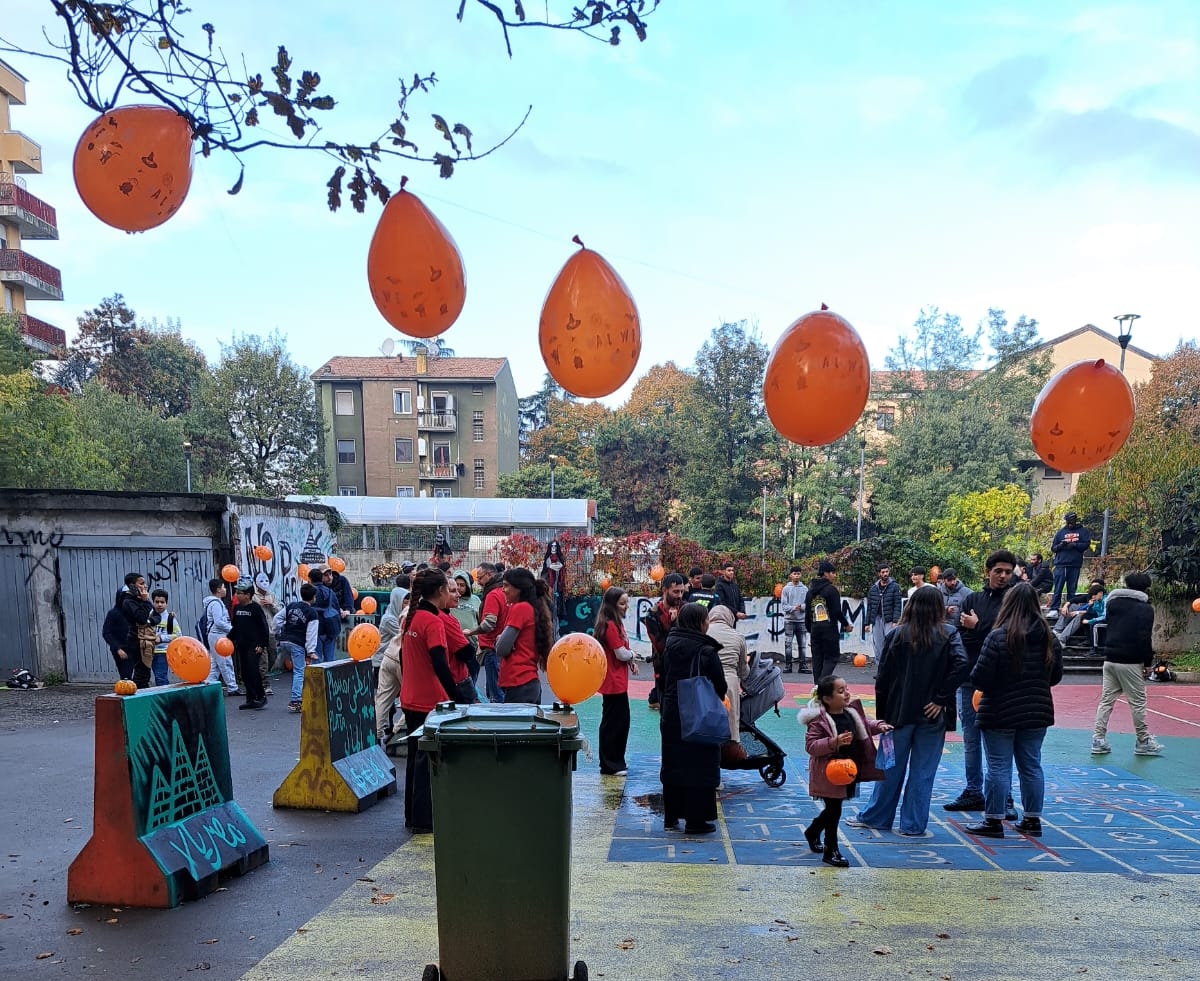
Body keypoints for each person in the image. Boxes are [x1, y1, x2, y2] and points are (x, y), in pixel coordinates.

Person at [848, 588, 966, 837]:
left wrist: (882, 717)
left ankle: (877, 817)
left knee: (889, 768)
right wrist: (941, 698)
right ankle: (913, 825)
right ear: (939, 607)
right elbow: (962, 664)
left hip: (897, 715)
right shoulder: (949, 633)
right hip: (932, 716)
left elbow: (882, 679)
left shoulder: (897, 634)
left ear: (910, 605)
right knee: (923, 772)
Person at [966, 582, 1064, 839]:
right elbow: (1055, 676)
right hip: (1036, 711)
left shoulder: (999, 636)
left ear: (1008, 604)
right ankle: (1032, 819)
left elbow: (980, 678)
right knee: (1031, 765)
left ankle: (994, 820)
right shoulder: (1049, 638)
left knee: (998, 766)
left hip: (999, 711)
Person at [944, 550, 1016, 816]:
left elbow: (1010, 638)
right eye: (998, 571)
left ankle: (1004, 797)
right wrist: (981, 630)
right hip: (970, 679)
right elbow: (964, 638)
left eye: (1008, 572)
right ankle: (974, 790)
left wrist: (979, 627)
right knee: (971, 738)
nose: (1003, 576)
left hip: (1000, 682)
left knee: (999, 742)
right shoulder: (973, 599)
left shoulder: (1014, 601)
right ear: (988, 571)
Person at [800, 675, 890, 867]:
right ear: (827, 699)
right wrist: (834, 742)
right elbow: (811, 746)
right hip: (828, 773)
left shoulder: (851, 713)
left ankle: (813, 831)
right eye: (840, 691)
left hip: (848, 770)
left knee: (834, 809)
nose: (847, 694)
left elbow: (865, 725)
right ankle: (830, 850)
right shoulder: (819, 720)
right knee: (834, 811)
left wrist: (879, 726)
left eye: (846, 689)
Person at [398, 569, 460, 834]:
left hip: (410, 696)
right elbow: (440, 664)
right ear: (440, 591)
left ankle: (411, 814)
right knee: (427, 761)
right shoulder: (433, 622)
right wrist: (455, 696)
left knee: (415, 759)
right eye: (448, 588)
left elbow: (403, 657)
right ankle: (424, 819)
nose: (451, 592)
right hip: (429, 700)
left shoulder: (412, 617)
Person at [659, 602, 728, 835]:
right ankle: (696, 819)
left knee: (673, 762)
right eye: (706, 619)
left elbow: (662, 677)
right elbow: (720, 685)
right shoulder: (706, 650)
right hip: (698, 713)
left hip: (672, 710)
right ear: (700, 622)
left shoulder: (670, 645)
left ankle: (671, 816)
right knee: (700, 763)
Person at [1091, 572, 1163, 757]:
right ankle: (1143, 741)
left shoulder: (1112, 603)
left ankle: (1098, 739)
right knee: (1137, 702)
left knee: (1106, 701)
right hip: (1130, 661)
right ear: (1145, 588)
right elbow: (1144, 637)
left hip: (1110, 658)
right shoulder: (1145, 609)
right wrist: (1147, 662)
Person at [494, 567, 554, 704]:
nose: (503, 590)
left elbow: (501, 649)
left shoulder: (520, 608)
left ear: (519, 589)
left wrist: (499, 639)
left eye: (506, 585)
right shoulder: (532, 608)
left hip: (518, 682)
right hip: (528, 683)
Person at [595, 587, 638, 776]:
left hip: (617, 681)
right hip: (613, 682)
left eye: (626, 602)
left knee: (617, 722)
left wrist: (630, 660)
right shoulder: (610, 625)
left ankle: (613, 761)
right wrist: (632, 655)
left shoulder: (615, 624)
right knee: (615, 723)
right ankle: (611, 763)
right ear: (612, 605)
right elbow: (620, 653)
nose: (626, 606)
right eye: (622, 603)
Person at [642, 572, 687, 710]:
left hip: (685, 666)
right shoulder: (653, 614)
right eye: (675, 592)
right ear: (664, 590)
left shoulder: (686, 609)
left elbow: (691, 638)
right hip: (663, 667)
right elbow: (662, 646)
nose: (679, 595)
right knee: (666, 708)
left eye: (682, 591)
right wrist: (674, 624)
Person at [274, 582, 320, 714]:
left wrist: (277, 631)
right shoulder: (312, 613)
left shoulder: (291, 606)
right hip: (297, 643)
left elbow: (277, 619)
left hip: (284, 640)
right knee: (299, 671)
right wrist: (310, 651)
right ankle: (296, 701)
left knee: (279, 664)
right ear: (313, 597)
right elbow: (311, 634)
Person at [706, 604, 748, 743]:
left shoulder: (704, 633)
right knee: (731, 719)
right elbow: (743, 670)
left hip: (706, 681)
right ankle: (731, 746)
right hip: (729, 681)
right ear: (730, 618)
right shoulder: (738, 637)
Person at [805, 560, 850, 684]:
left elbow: (808, 613)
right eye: (832, 573)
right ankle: (821, 684)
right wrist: (846, 624)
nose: (834, 575)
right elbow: (836, 611)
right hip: (829, 629)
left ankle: (817, 687)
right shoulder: (831, 590)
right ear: (825, 573)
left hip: (815, 629)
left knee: (817, 660)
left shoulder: (810, 592)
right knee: (832, 657)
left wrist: (811, 629)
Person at [468, 563, 508, 703]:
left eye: (480, 578)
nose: (478, 582)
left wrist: (471, 632)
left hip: (492, 648)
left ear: (489, 575)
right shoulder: (505, 592)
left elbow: (489, 624)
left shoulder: (493, 595)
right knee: (500, 692)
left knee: (495, 696)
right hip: (503, 648)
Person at [228, 580, 270, 709]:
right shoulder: (238, 608)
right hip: (242, 645)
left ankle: (261, 696)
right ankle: (250, 699)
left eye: (240, 593)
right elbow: (235, 627)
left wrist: (261, 644)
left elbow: (264, 627)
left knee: (253, 670)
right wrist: (228, 639)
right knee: (245, 673)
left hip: (254, 645)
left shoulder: (255, 608)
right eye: (236, 592)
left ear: (248, 595)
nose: (237, 595)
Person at [1048, 512, 1092, 613]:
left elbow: (1086, 544)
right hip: (1061, 564)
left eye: (1072, 522)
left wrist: (1075, 545)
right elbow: (1053, 548)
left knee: (1072, 589)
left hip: (1074, 564)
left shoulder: (1083, 531)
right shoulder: (1060, 532)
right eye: (1068, 522)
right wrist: (1061, 545)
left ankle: (1070, 608)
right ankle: (1054, 608)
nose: (1070, 524)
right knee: (1058, 588)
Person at [203, 577, 240, 695]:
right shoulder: (216, 603)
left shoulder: (215, 602)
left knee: (216, 664)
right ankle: (232, 687)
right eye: (223, 587)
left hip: (216, 635)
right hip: (217, 636)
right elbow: (218, 621)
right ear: (218, 589)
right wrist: (232, 629)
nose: (225, 590)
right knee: (225, 661)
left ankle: (208, 685)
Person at [449, 571, 482, 694]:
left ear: (467, 586)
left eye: (462, 585)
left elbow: (481, 621)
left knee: (472, 677)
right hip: (455, 646)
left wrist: (480, 642)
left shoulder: (475, 600)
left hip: (472, 645)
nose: (459, 588)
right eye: (456, 584)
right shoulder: (450, 600)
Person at [864, 564, 902, 664]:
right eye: (883, 572)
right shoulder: (873, 588)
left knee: (890, 643)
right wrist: (867, 623)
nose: (885, 574)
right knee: (878, 645)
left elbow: (897, 604)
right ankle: (880, 667)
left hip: (889, 619)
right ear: (879, 574)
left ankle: (891, 666)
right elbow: (870, 607)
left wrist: (895, 621)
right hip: (876, 619)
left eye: (887, 571)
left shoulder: (895, 587)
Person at [253, 573, 280, 698]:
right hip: (259, 632)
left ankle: (263, 676)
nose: (264, 583)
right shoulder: (253, 596)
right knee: (263, 659)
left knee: (273, 655)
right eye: (261, 580)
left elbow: (279, 612)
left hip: (271, 630)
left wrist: (271, 605)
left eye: (266, 580)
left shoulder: (271, 595)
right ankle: (265, 684)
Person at [1054, 583, 1106, 647]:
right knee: (1072, 606)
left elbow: (1099, 614)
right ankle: (1056, 631)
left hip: (1095, 618)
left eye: (1095, 591)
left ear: (1101, 592)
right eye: (1092, 587)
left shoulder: (1104, 600)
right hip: (1087, 614)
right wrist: (1065, 606)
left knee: (1080, 616)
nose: (1093, 596)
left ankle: (1062, 639)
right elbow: (1074, 600)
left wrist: (1079, 612)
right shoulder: (1091, 597)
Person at [308, 568, 343, 663]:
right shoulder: (330, 592)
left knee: (316, 659)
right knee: (330, 660)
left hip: (316, 629)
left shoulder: (310, 593)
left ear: (310, 579)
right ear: (321, 578)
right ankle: (330, 673)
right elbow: (337, 609)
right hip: (331, 627)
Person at [779, 566, 809, 673]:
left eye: (798, 574)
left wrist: (802, 607)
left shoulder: (805, 589)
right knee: (788, 644)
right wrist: (793, 608)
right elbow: (784, 606)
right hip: (789, 621)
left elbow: (808, 604)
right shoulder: (786, 589)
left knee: (802, 645)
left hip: (801, 621)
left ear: (801, 575)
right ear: (791, 575)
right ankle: (788, 666)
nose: (796, 576)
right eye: (794, 574)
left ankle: (802, 666)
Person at [150, 588, 180, 686]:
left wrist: (162, 638)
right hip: (148, 651)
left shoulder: (170, 618)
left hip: (162, 652)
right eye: (157, 602)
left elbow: (178, 635)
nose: (159, 604)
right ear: (153, 602)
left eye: (162, 602)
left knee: (160, 677)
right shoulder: (148, 616)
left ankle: (165, 694)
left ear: (166, 603)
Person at [103, 589, 134, 681]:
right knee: (126, 676)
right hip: (122, 650)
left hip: (134, 647)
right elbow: (106, 633)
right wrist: (118, 649)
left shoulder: (133, 611)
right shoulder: (113, 613)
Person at [540, 540, 568, 624]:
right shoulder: (548, 560)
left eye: (555, 546)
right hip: (549, 587)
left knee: (557, 608)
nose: (553, 548)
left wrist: (556, 567)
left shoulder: (560, 559)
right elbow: (545, 572)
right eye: (552, 546)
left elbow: (560, 568)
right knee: (550, 607)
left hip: (558, 586)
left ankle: (556, 627)